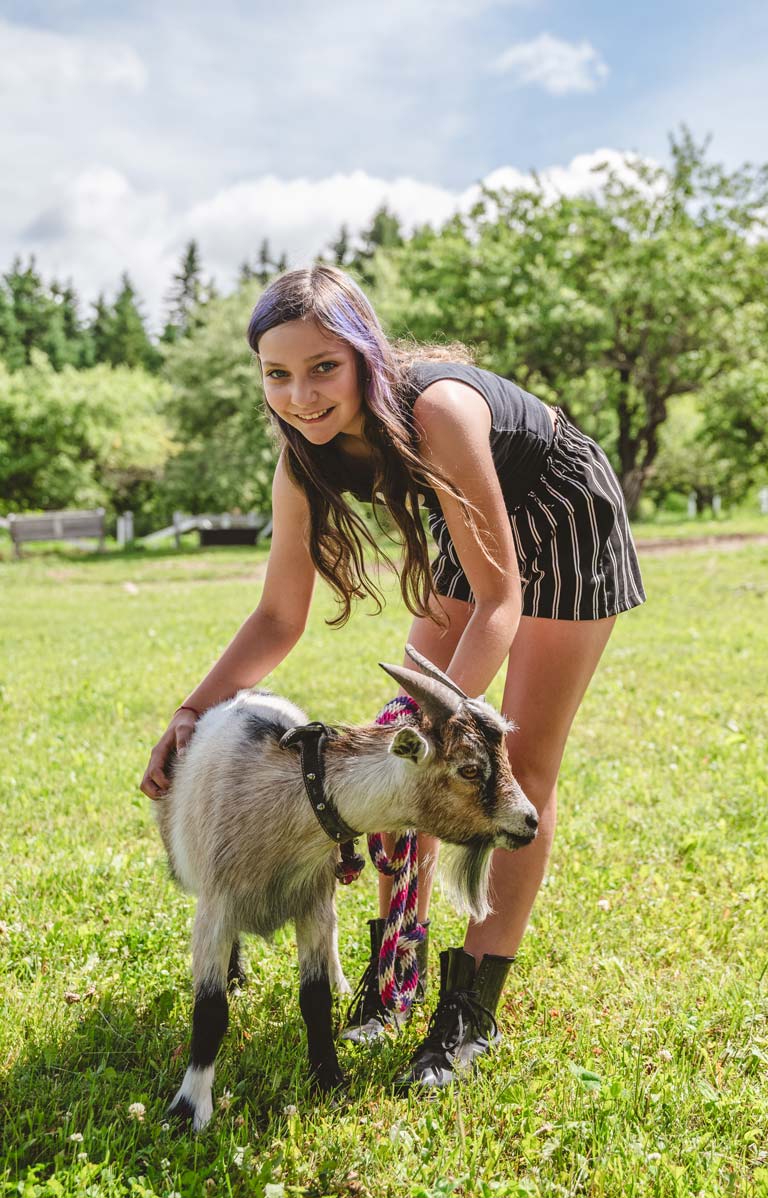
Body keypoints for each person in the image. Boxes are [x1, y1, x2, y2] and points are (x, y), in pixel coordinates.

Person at [141, 263, 645, 1091]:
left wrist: (445, 726)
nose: (300, 395)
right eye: (278, 374)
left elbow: (498, 598)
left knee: (518, 764)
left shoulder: (436, 410)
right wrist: (194, 708)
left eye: (322, 368)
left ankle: (469, 1007)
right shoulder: (301, 458)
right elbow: (278, 617)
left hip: (561, 515)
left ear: (366, 356)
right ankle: (394, 966)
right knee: (393, 769)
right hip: (475, 526)